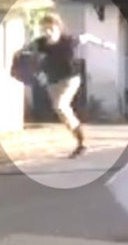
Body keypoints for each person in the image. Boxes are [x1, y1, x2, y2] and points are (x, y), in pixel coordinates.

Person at [30, 12, 115, 158]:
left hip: (70, 79)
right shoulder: (40, 43)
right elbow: (29, 54)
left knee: (60, 106)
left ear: (58, 28)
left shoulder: (69, 40)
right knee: (62, 112)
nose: (48, 33)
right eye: (45, 30)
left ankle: (81, 141)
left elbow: (88, 37)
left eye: (51, 29)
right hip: (53, 81)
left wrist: (104, 44)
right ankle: (80, 142)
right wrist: (38, 73)